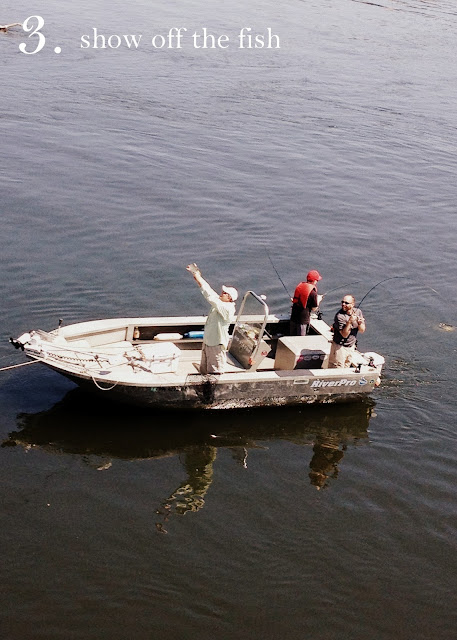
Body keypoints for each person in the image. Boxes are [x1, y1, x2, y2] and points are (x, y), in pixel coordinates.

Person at [186, 264, 238, 374]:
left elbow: (209, 296)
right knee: (204, 370)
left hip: (216, 345)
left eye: (225, 293)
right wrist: (197, 275)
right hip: (208, 342)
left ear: (230, 298)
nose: (222, 293)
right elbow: (208, 290)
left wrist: (198, 277)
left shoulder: (227, 308)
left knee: (215, 372)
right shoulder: (220, 301)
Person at [328, 295, 366, 368]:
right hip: (339, 347)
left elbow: (362, 330)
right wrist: (350, 322)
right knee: (337, 368)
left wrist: (360, 323)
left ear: (352, 304)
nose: (343, 304)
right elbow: (344, 335)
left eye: (346, 303)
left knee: (347, 367)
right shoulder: (339, 316)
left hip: (351, 346)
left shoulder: (358, 312)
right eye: (342, 302)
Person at [290, 270, 324, 336]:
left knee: (292, 337)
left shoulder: (300, 287)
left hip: (294, 317)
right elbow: (314, 308)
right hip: (303, 320)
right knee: (301, 339)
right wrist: (319, 300)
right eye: (317, 280)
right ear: (314, 281)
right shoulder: (313, 293)